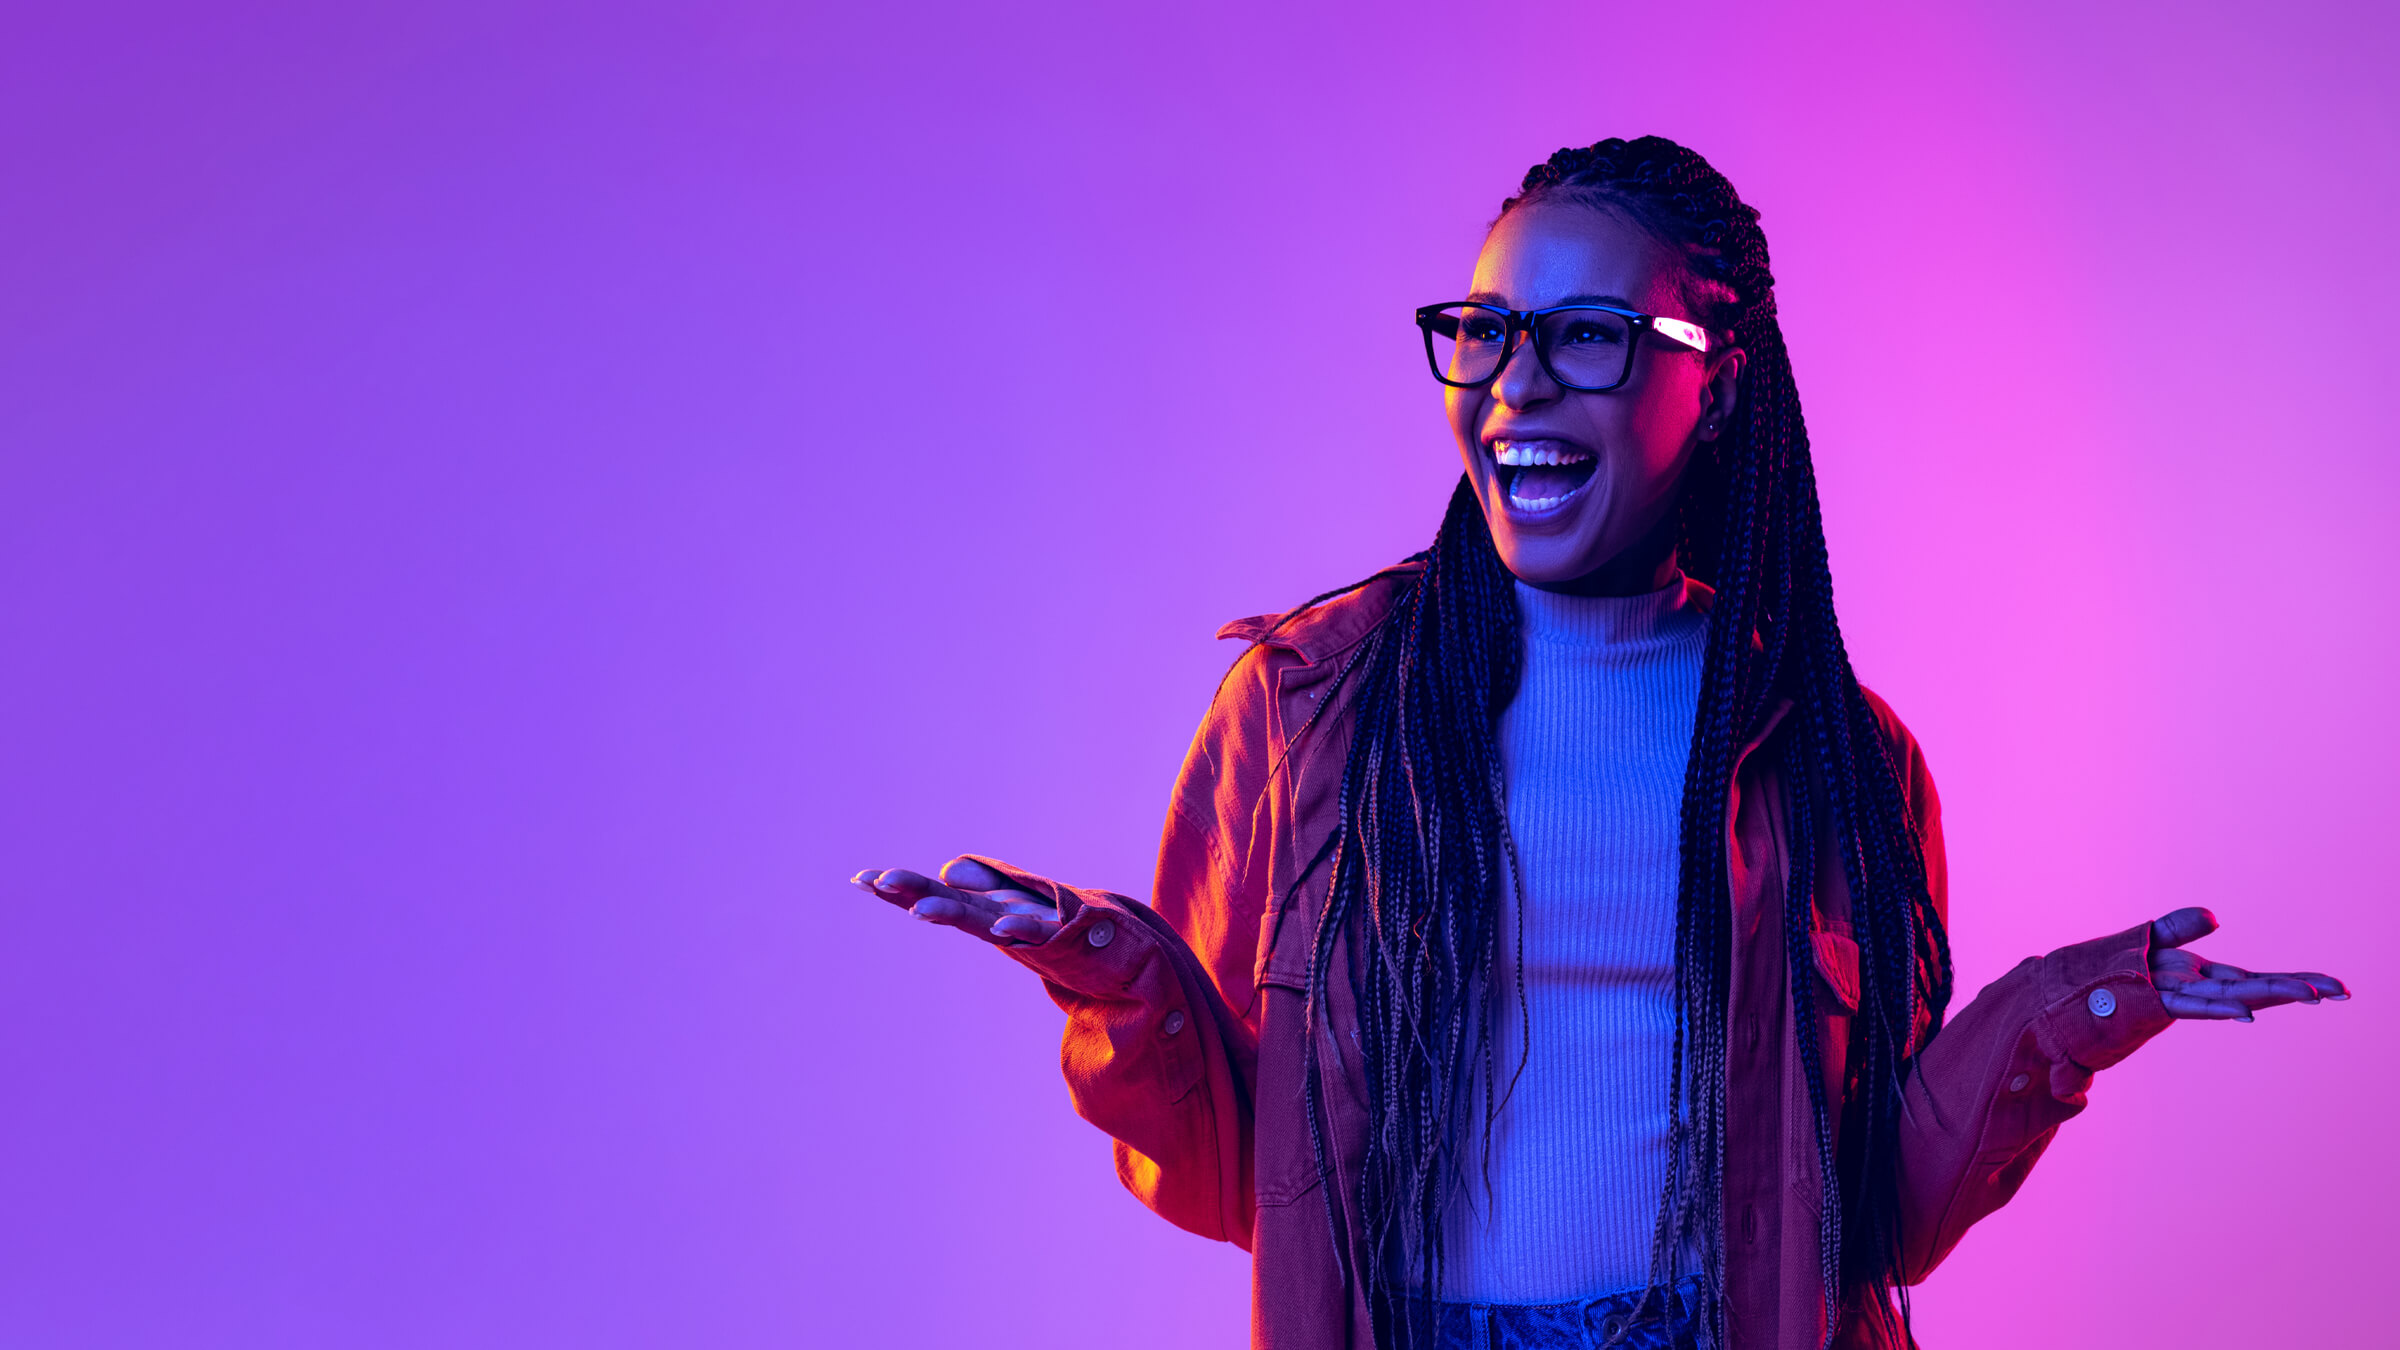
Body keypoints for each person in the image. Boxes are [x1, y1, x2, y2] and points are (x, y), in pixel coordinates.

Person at [847, 136, 2348, 1350]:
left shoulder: (1834, 757)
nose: (1518, 382)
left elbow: (1870, 1220)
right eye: (1488, 331)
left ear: (1719, 378)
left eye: (1588, 336)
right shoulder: (1311, 710)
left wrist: (2067, 1017)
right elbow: (1244, 1180)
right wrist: (1111, 972)